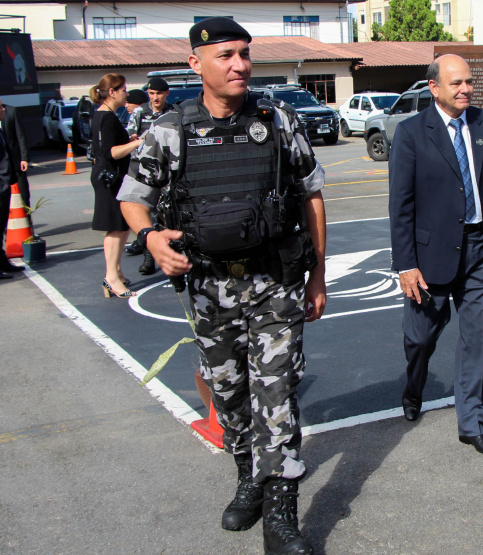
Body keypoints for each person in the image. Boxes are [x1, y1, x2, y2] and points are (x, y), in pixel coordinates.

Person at [118, 17, 326, 555]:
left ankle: (281, 517)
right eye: (225, 56)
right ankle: (248, 478)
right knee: (230, 393)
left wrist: (319, 274)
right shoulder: (170, 128)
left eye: (245, 54)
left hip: (275, 282)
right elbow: (133, 197)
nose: (239, 65)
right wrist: (150, 237)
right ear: (196, 64)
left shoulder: (277, 119)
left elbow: (311, 193)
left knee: (276, 395)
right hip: (210, 289)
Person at [388, 54, 483, 456]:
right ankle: (414, 387)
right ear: (434, 87)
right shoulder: (411, 132)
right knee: (420, 338)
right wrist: (406, 264)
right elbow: (401, 205)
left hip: (480, 248)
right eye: (456, 83)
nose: (465, 89)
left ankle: (473, 423)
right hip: (430, 257)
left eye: (469, 82)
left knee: (477, 337)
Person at [89, 74, 143, 298]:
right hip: (109, 177)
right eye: (123, 90)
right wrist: (137, 143)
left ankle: (116, 272)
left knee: (122, 225)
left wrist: (127, 141)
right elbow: (110, 152)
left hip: (113, 176)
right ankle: (111, 278)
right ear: (112, 92)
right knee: (115, 227)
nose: (126, 94)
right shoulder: (106, 117)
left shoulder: (104, 115)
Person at [125, 77, 176, 275]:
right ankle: (148, 258)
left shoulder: (173, 112)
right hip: (144, 171)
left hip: (167, 171)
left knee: (168, 215)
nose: (155, 98)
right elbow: (130, 139)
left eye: (159, 93)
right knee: (148, 215)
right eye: (152, 93)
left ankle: (171, 255)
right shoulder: (140, 112)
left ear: (166, 93)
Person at [0, 99, 20, 279]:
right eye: (0, 107)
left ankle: (2, 261)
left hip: (4, 185)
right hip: (1, 184)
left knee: (1, 226)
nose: (3, 110)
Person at [0, 98, 30, 208]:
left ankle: (27, 215)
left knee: (23, 192)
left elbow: (21, 136)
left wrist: (24, 158)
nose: (2, 109)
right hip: (1, 165)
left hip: (15, 160)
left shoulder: (12, 111)